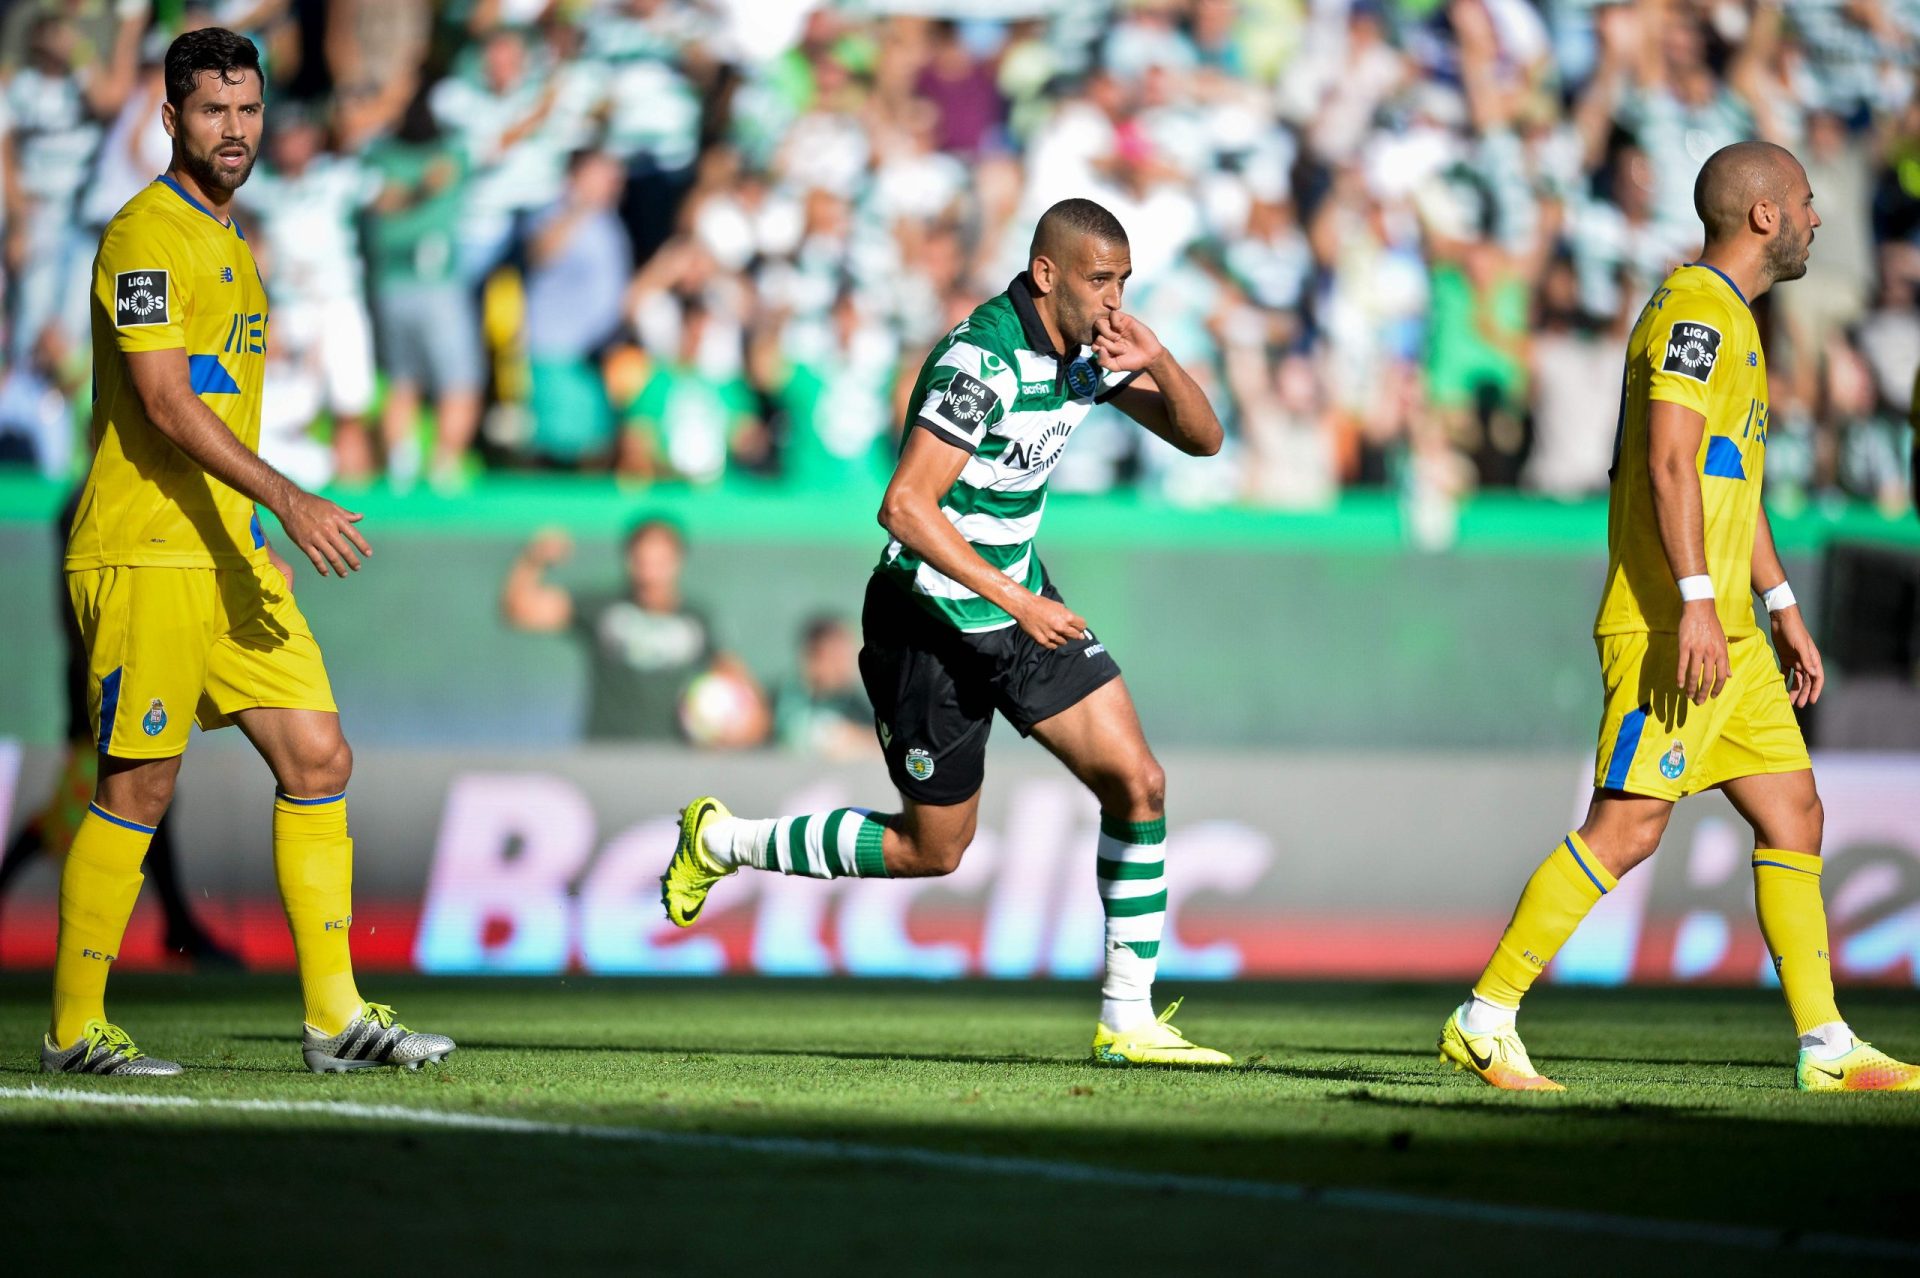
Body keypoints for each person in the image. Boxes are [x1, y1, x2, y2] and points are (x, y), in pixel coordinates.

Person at [663, 198, 1233, 1066]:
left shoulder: (1091, 353)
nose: (1116, 300)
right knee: (934, 850)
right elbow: (903, 505)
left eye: (1124, 281)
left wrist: (1158, 358)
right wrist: (1018, 598)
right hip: (927, 616)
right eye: (1099, 280)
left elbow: (1204, 439)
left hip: (1016, 608)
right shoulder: (982, 363)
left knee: (1138, 784)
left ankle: (1128, 1021)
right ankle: (720, 840)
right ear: (1047, 275)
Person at [1437, 142, 1918, 1093]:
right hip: (1673, 627)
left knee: (1794, 810)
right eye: (1808, 203)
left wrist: (1777, 605)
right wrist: (1699, 603)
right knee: (1627, 829)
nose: (1821, 219)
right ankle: (1484, 1017)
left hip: (1729, 629)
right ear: (1765, 217)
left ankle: (1825, 1047)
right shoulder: (1696, 310)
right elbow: (1666, 461)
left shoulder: (1733, 319)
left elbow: (1728, 481)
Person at [47, 27, 452, 1076]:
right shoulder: (146, 235)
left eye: (250, 110)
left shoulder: (233, 241)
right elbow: (163, 400)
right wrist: (288, 494)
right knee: (138, 784)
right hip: (144, 551)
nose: (236, 131)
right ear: (171, 119)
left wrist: (256, 527)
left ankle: (334, 1020)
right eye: (215, 112)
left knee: (319, 755)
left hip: (227, 554)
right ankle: (72, 1028)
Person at [501, 518, 766, 745]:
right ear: (629, 560)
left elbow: (742, 689)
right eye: (642, 560)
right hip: (608, 752)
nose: (650, 573)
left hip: (673, 756)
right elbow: (520, 609)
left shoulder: (697, 619)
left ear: (678, 562)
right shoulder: (604, 609)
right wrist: (534, 559)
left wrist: (731, 729)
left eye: (660, 561)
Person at [773, 615, 877, 761]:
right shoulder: (782, 698)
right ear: (812, 657)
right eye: (837, 656)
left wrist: (859, 739)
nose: (845, 665)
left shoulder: (856, 705)